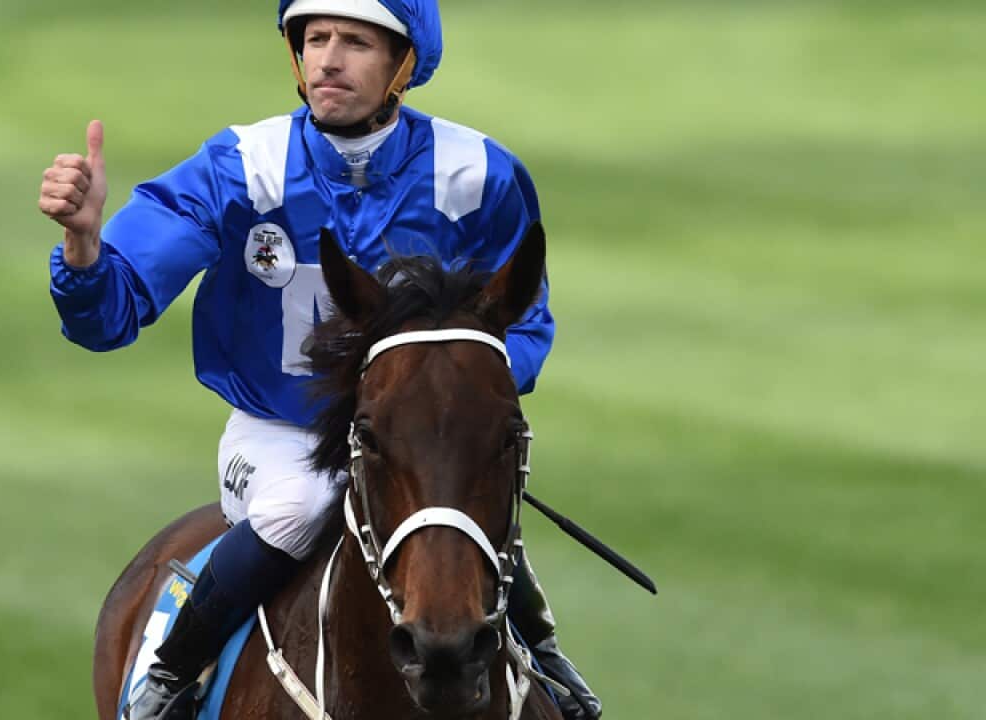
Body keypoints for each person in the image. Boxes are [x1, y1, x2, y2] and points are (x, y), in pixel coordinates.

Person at [38, 1, 600, 718]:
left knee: (460, 522)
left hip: (415, 435)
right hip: (281, 436)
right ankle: (166, 680)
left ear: (404, 63)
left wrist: (436, 398)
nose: (328, 59)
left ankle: (548, 665)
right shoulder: (238, 166)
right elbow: (111, 314)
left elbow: (525, 328)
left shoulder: (480, 175)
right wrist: (85, 251)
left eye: (357, 42)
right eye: (314, 38)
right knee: (299, 507)